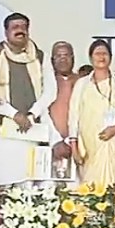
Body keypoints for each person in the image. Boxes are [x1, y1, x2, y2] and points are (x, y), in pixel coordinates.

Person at [0, 13, 57, 188]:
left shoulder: (40, 57)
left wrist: (32, 114)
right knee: (5, 186)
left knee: (29, 184)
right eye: (15, 27)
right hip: (3, 133)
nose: (20, 31)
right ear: (6, 32)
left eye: (23, 27)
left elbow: (50, 91)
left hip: (31, 130)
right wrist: (14, 114)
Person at [66, 40, 115, 186]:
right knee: (90, 189)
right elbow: (73, 116)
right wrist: (74, 147)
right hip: (90, 146)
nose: (101, 57)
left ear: (111, 57)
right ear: (90, 58)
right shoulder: (82, 84)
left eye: (105, 53)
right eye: (97, 54)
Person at [48, 41, 79, 180]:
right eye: (58, 56)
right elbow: (42, 114)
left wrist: (72, 140)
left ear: (73, 58)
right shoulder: (45, 83)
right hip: (50, 145)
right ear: (52, 60)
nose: (63, 59)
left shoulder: (83, 82)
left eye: (66, 55)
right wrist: (55, 140)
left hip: (78, 146)